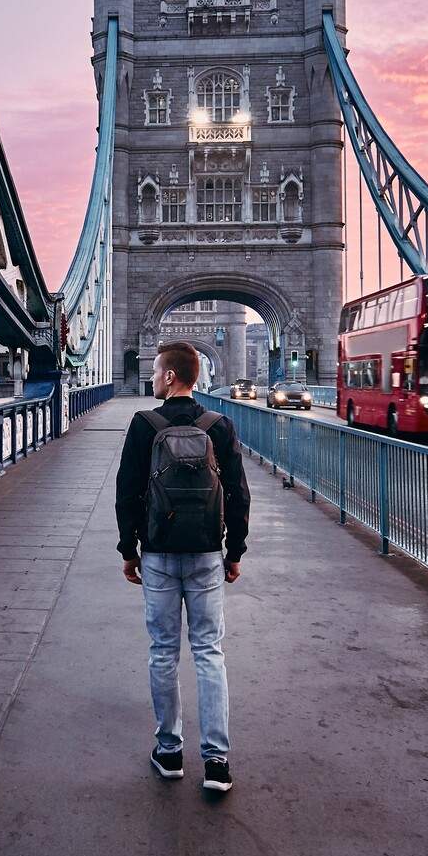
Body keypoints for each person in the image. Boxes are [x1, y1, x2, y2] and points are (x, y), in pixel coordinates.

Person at [116, 339, 250, 792]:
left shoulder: (143, 424)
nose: (152, 378)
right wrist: (235, 552)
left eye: (155, 372)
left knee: (163, 652)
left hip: (156, 554)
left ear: (170, 376)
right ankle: (216, 762)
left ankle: (169, 752)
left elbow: (127, 493)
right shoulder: (219, 424)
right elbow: (238, 494)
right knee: (210, 652)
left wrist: (128, 550)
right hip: (208, 553)